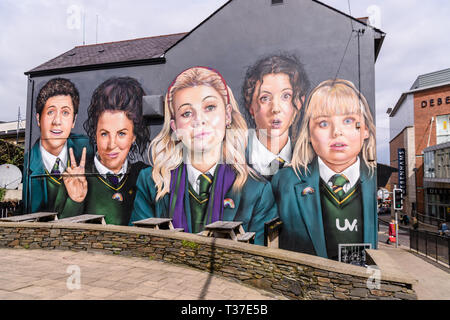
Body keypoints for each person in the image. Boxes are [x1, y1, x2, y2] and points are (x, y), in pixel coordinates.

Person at [130, 66, 278, 245]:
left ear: (228, 115)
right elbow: (140, 253)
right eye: (186, 113)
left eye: (209, 107)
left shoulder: (257, 191)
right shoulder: (151, 183)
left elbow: (258, 263)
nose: (199, 120)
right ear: (175, 127)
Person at [271, 79, 377, 260]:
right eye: (323, 123)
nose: (336, 132)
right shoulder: (285, 182)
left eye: (349, 120)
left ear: (365, 129)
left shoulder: (375, 181)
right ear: (309, 133)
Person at [59, 77, 149, 225]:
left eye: (121, 134)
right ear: (95, 134)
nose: (111, 145)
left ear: (133, 136)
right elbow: (60, 234)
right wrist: (75, 201)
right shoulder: (75, 177)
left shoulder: (144, 175)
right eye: (104, 134)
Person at [22, 78, 93, 213]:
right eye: (50, 112)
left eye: (65, 112)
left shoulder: (89, 149)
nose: (57, 121)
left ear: (74, 120)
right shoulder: (27, 164)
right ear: (38, 118)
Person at [242, 54, 310, 180]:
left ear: (299, 102)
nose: (276, 108)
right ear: (250, 106)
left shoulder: (310, 162)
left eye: (286, 96)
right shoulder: (234, 160)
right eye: (265, 98)